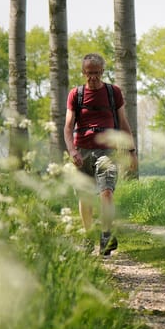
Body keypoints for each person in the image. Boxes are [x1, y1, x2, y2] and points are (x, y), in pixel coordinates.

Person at [63, 53, 138, 256]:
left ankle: (106, 235)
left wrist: (131, 150)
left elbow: (123, 122)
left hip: (107, 150)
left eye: (96, 73)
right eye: (89, 73)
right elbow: (68, 127)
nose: (93, 77)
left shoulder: (113, 93)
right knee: (86, 197)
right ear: (83, 72)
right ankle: (88, 237)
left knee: (106, 191)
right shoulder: (75, 95)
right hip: (82, 150)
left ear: (103, 72)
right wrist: (72, 150)